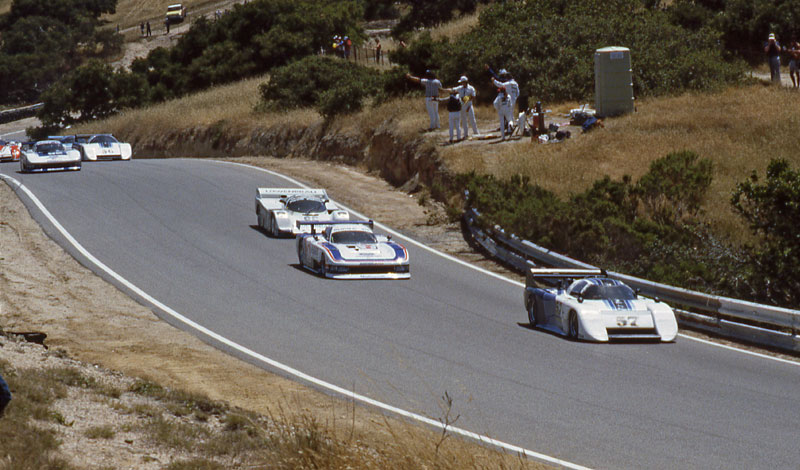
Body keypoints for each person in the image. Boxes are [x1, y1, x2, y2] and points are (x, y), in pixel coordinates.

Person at [486, 65, 520, 134]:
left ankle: (509, 129)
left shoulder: (508, 83)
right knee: (510, 115)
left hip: (509, 101)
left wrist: (494, 81)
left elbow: (500, 85)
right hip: (514, 100)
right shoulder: (516, 84)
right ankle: (511, 127)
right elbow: (518, 93)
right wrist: (515, 98)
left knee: (509, 116)